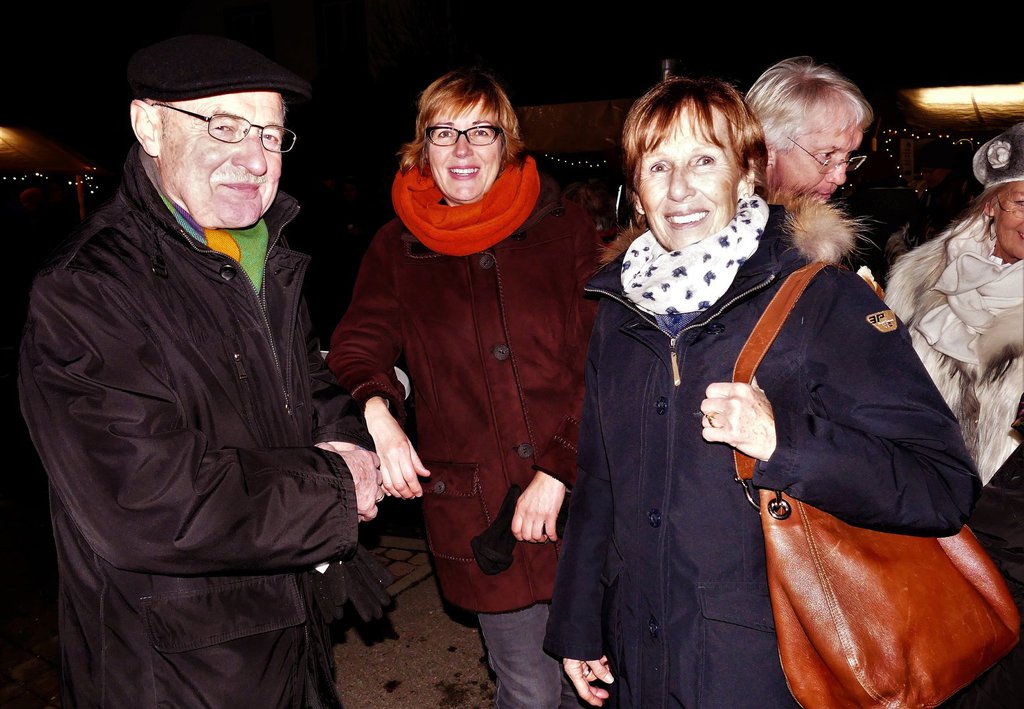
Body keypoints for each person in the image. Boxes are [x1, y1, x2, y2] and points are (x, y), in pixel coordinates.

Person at [542, 75, 978, 708]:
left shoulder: (822, 298)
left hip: (764, 665)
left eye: (704, 161)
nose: (679, 189)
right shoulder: (618, 308)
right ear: (636, 193)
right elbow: (599, 478)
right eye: (657, 167)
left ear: (747, 174)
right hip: (641, 650)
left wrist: (784, 444)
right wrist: (580, 623)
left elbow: (940, 485)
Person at [17, 35, 386, 708]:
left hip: (285, 627)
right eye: (225, 127)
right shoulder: (88, 288)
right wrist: (336, 488)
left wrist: (350, 437)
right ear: (149, 126)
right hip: (176, 667)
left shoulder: (260, 255)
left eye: (271, 136)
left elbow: (308, 379)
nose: (256, 159)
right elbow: (148, 500)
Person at [326, 67, 599, 708]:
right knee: (530, 689)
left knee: (595, 685)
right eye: (444, 132)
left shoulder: (566, 229)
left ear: (508, 142)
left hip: (581, 494)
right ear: (422, 147)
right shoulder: (397, 246)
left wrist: (558, 469)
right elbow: (357, 345)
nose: (462, 149)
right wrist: (380, 415)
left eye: (482, 131)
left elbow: (606, 361)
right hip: (479, 510)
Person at [886, 125, 1024, 707]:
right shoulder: (918, 278)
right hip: (922, 522)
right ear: (992, 204)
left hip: (1013, 529)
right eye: (1023, 202)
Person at [745, 56, 873, 203]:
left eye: (848, 157)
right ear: (766, 150)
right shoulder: (730, 215)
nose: (840, 179)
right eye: (827, 156)